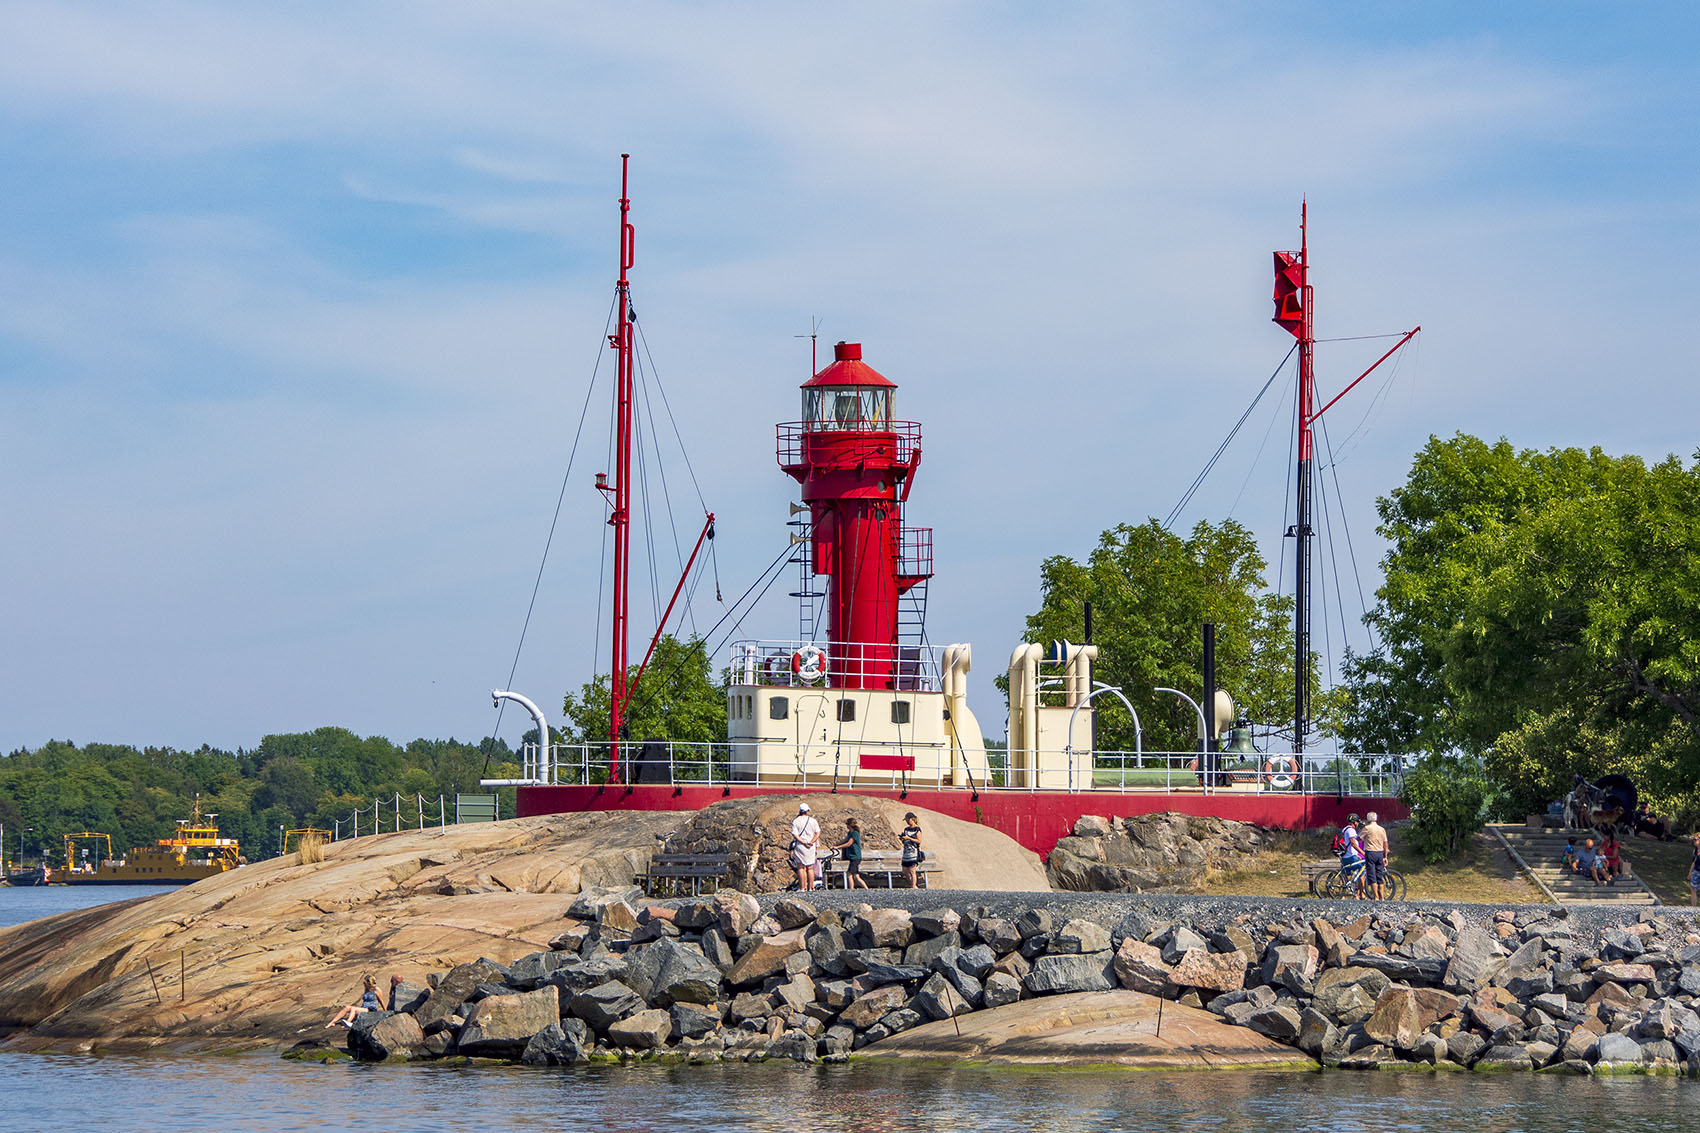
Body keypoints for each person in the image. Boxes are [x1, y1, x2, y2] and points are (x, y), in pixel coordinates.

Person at [1359, 811, 1391, 901]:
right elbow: (1385, 843)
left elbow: (1360, 838)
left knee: (1372, 875)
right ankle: (1382, 896)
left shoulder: (1367, 828)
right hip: (1380, 853)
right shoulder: (1382, 829)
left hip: (1370, 852)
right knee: (1379, 875)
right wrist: (1385, 856)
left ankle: (1376, 896)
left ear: (1368, 819)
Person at [789, 802, 821, 892]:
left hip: (800, 846)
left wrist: (803, 842)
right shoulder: (813, 821)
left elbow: (795, 834)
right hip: (811, 846)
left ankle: (802, 887)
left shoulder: (796, 821)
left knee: (800, 867)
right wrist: (811, 842)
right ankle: (811, 887)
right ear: (807, 811)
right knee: (810, 867)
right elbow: (818, 833)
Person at [831, 816, 868, 890]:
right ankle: (866, 889)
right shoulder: (850, 833)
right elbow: (845, 840)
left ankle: (851, 889)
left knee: (849, 874)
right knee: (856, 876)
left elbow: (849, 843)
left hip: (855, 857)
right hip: (851, 856)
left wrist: (838, 847)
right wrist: (835, 845)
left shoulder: (855, 833)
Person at [1335, 814, 1366, 899]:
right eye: (1357, 822)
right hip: (1350, 856)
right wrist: (1362, 853)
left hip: (1345, 856)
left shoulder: (1345, 829)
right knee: (1362, 871)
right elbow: (1353, 843)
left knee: (1343, 874)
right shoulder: (1351, 830)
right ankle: (1360, 894)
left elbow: (1357, 839)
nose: (1358, 824)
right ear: (1355, 822)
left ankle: (1341, 895)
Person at [900, 811, 924, 888]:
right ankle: (913, 885)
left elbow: (919, 841)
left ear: (911, 819)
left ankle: (913, 886)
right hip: (906, 851)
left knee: (912, 870)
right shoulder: (906, 829)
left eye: (907, 820)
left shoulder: (917, 829)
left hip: (913, 852)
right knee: (905, 870)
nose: (907, 821)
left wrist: (909, 838)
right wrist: (903, 839)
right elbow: (904, 841)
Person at [1688, 833, 1699, 907]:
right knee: (1693, 889)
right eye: (1693, 840)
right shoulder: (1695, 850)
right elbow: (1693, 862)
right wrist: (1690, 873)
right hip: (1696, 871)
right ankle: (1694, 909)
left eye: (1695, 840)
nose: (1694, 841)